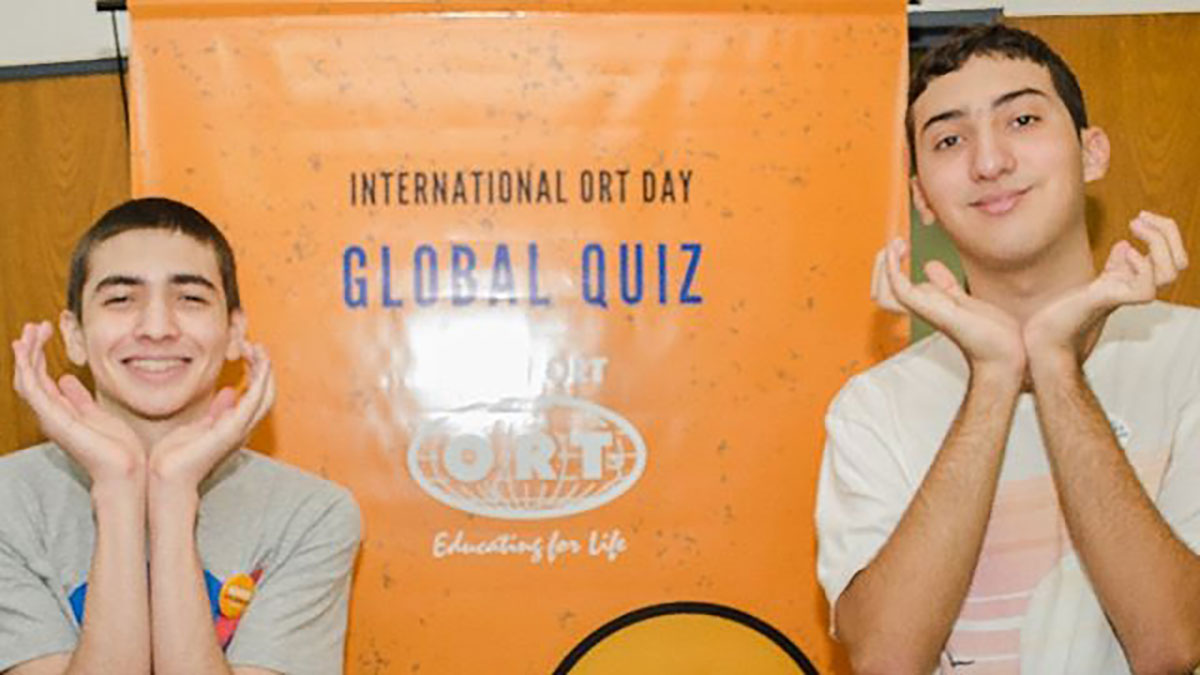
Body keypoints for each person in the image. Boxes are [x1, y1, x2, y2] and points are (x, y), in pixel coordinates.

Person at [816, 24, 1200, 674]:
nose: (989, 162)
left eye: (1021, 120)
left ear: (1092, 152)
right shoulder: (873, 408)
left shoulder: (1189, 358)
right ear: (921, 197)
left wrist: (1055, 364)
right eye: (949, 140)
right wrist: (995, 373)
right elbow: (886, 661)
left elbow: (1172, 642)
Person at [2, 198, 361, 674]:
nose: (157, 328)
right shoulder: (9, 503)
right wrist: (117, 486)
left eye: (190, 298)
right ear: (74, 335)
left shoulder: (311, 515)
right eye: (121, 299)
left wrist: (173, 494)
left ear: (234, 331)